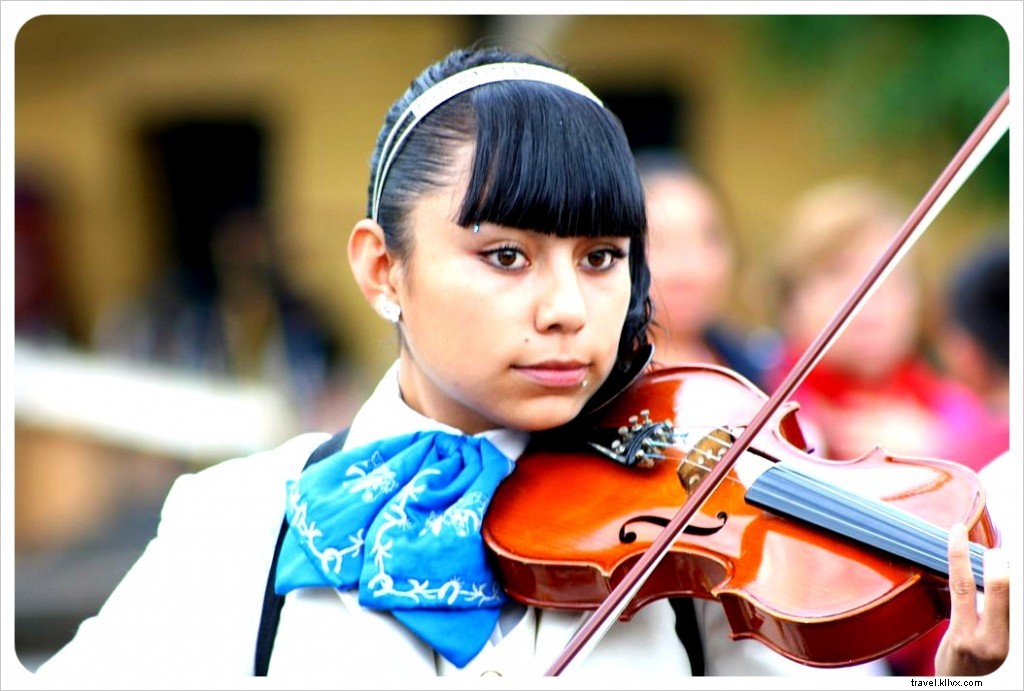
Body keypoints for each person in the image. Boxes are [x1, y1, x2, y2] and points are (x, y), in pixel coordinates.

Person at [33, 46, 1008, 682]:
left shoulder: (697, 546)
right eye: (506, 256)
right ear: (382, 267)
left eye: (601, 258)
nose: (566, 309)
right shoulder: (235, 518)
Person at [765, 178, 993, 472]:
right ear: (791, 299)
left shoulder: (960, 418)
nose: (871, 294)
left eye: (892, 275)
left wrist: (943, 459)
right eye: (839, 273)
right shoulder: (758, 402)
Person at [635, 149, 772, 387]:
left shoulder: (758, 370)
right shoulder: (594, 381)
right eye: (658, 242)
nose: (690, 269)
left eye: (709, 238)